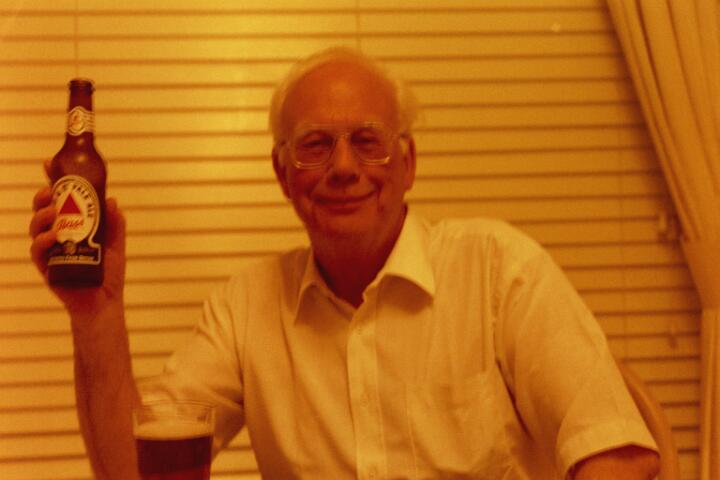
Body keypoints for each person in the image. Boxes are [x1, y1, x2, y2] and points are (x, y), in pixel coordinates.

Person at [30, 47, 661, 479]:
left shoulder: (500, 270)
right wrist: (95, 315)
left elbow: (619, 455)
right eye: (314, 145)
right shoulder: (246, 308)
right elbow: (130, 471)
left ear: (407, 163)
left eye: (367, 141)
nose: (342, 167)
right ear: (282, 173)